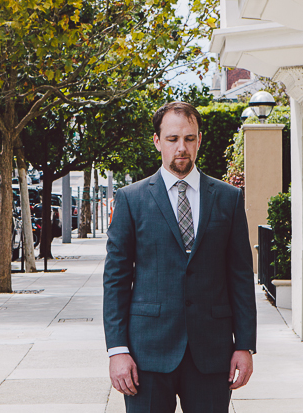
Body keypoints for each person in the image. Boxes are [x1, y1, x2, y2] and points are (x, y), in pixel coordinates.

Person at [102, 101, 257, 412]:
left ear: (199, 140)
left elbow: (240, 275)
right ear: (158, 141)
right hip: (146, 354)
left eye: (189, 138)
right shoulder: (131, 200)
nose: (181, 147)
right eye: (172, 139)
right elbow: (116, 279)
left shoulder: (228, 198)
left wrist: (244, 344)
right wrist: (117, 350)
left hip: (212, 352)